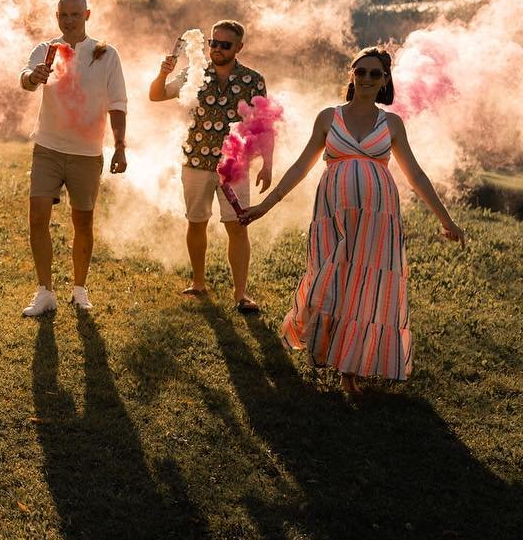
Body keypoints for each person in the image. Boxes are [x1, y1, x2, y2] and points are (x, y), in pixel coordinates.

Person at [239, 47, 465, 394]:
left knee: (366, 286)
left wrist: (446, 219)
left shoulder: (391, 123)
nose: (367, 79)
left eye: (375, 74)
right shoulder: (329, 117)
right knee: (328, 276)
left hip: (379, 218)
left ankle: (350, 370)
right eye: (361, 72)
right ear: (352, 75)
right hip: (333, 213)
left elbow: (415, 174)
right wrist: (266, 206)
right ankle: (322, 345)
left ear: (385, 80)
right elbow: (301, 166)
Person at [147, 19, 272, 312]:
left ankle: (240, 295)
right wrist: (161, 73)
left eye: (224, 45)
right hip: (196, 160)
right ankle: (198, 282)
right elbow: (156, 95)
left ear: (239, 48)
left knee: (238, 228)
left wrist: (268, 163)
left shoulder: (253, 79)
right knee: (196, 221)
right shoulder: (195, 72)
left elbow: (263, 125)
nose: (216, 49)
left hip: (234, 164)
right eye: (213, 43)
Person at [20, 0, 127, 315]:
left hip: (87, 152)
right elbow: (26, 78)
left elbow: (118, 103)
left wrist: (120, 146)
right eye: (63, 15)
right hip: (48, 148)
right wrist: (34, 77)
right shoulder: (46, 50)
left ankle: (80, 289)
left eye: (75, 14)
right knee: (37, 218)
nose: (69, 20)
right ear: (56, 17)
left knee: (83, 221)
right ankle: (45, 292)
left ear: (87, 15)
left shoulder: (106, 54)